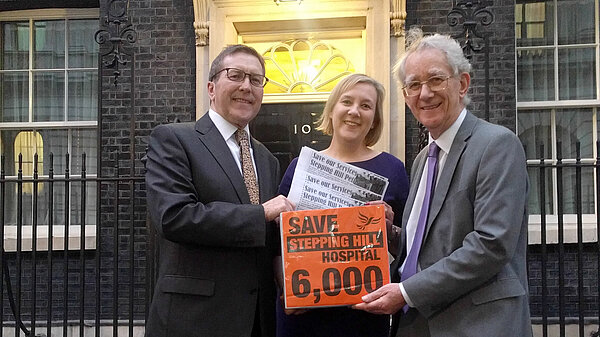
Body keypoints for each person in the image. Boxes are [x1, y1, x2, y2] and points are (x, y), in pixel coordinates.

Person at [353, 28, 533, 337]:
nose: (424, 94)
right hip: (419, 324)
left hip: (478, 325)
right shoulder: (424, 158)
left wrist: (407, 292)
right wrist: (390, 233)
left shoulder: (497, 144)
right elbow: (425, 245)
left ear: (462, 84)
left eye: (436, 80)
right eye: (413, 85)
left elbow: (490, 245)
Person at [144, 44, 295, 337]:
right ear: (212, 87)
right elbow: (174, 217)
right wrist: (261, 213)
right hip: (194, 320)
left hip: (256, 320)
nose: (246, 87)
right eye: (236, 75)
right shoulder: (175, 139)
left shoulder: (267, 159)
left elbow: (270, 238)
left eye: (256, 80)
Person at [276, 73, 410, 337]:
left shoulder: (393, 169)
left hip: (363, 315)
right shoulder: (299, 167)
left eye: (366, 105)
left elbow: (408, 246)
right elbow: (277, 240)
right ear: (332, 109)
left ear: (375, 119)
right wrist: (286, 289)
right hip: (303, 315)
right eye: (346, 101)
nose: (354, 112)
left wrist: (389, 230)